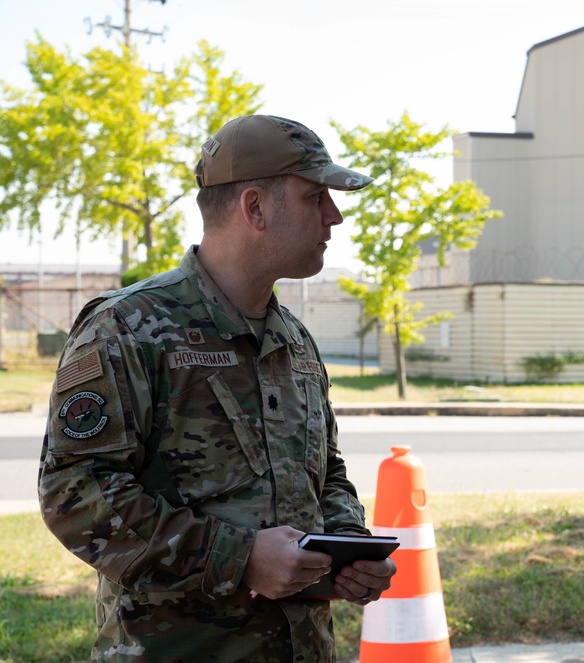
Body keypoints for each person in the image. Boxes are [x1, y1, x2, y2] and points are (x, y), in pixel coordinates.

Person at [37, 114, 396, 662]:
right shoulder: (127, 327)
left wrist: (347, 547)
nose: (335, 217)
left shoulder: (293, 339)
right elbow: (74, 494)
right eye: (314, 198)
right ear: (254, 208)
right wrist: (241, 557)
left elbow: (328, 474)